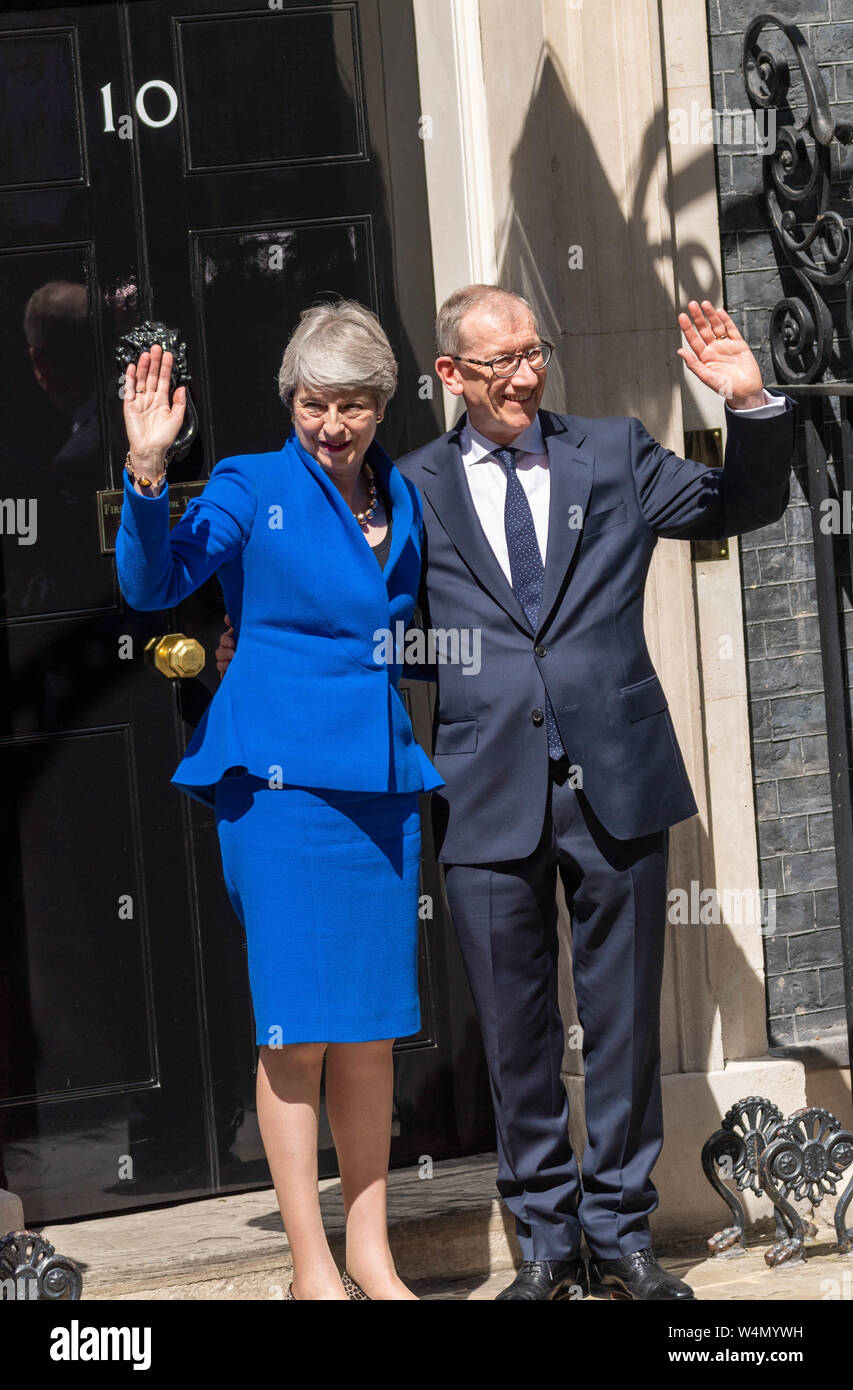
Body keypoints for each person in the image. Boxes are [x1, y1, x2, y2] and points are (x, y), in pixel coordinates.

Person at [217, 285, 796, 1301]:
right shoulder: (410, 486)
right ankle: (540, 1242)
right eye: (499, 362)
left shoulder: (610, 453)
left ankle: (620, 1232)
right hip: (484, 786)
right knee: (517, 1028)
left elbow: (734, 508)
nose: (525, 375)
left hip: (615, 771)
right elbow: (357, 606)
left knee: (619, 1020)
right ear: (450, 375)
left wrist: (745, 406)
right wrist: (251, 653)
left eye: (534, 352)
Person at [115, 300, 443, 1302]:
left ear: (382, 404)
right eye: (313, 402)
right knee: (297, 1030)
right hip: (282, 788)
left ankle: (372, 1253)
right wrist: (145, 474)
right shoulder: (250, 484)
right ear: (289, 400)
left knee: (372, 1029)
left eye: (350, 405)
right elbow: (152, 580)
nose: (331, 424)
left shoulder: (406, 498)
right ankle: (311, 1266)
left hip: (381, 784)